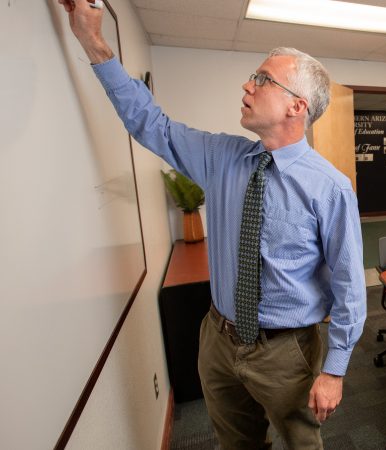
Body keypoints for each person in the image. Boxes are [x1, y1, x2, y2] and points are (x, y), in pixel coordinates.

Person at [58, 1, 366, 448]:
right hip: (218, 339)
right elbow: (150, 124)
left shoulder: (330, 188)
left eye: (262, 79)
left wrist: (335, 370)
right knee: (234, 442)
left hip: (286, 351)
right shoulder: (223, 158)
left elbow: (350, 285)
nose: (247, 84)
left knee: (302, 443)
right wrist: (93, 41)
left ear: (295, 106)